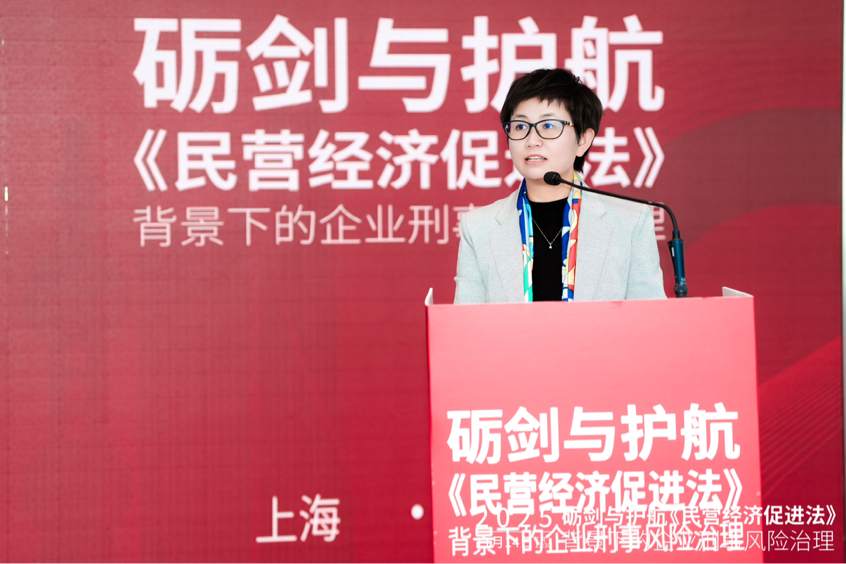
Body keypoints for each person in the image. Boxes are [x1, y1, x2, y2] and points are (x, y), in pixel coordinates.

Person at [454, 68, 666, 303]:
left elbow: (651, 320)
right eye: (520, 126)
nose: (532, 141)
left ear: (583, 140)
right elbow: (466, 322)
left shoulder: (630, 222)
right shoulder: (477, 228)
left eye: (548, 126)